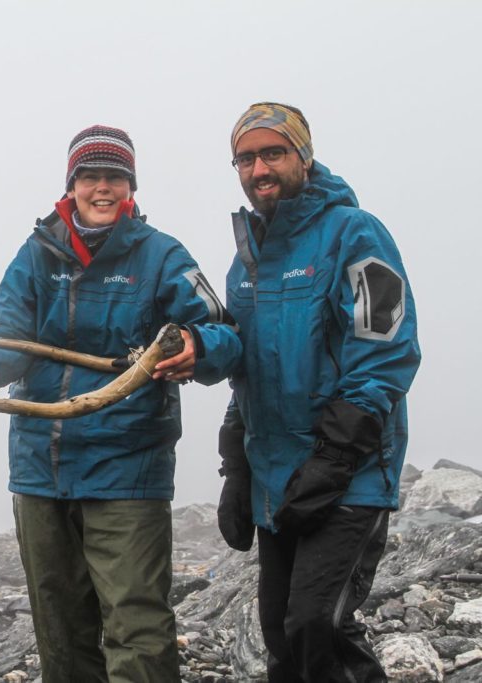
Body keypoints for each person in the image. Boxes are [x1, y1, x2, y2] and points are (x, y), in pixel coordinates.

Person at [0, 125, 241, 682]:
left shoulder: (162, 256)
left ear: (131, 187)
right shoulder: (36, 256)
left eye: (114, 178)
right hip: (39, 472)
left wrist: (199, 346)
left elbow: (223, 333)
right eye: (90, 177)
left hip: (128, 469)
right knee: (60, 630)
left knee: (137, 625)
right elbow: (5, 347)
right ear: (72, 184)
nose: (102, 189)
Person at [216, 103, 421, 682]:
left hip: (350, 473)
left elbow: (385, 351)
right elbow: (246, 372)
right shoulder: (246, 261)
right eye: (246, 158)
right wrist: (237, 469)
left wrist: (333, 459)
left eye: (273, 153)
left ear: (303, 157)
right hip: (278, 476)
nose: (259, 168)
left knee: (317, 623)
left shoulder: (355, 233)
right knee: (282, 630)